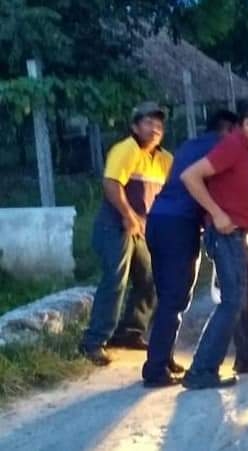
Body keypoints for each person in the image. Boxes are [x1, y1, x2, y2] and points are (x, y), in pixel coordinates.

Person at [141, 110, 248, 388]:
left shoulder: (192, 145)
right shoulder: (226, 145)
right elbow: (200, 177)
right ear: (233, 128)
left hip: (160, 218)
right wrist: (220, 214)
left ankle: (244, 355)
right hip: (180, 222)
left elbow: (242, 176)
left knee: (221, 294)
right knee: (181, 297)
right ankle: (161, 368)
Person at [79, 102, 172, 366]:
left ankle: (130, 331)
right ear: (134, 126)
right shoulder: (126, 149)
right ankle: (93, 341)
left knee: (150, 278)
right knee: (115, 281)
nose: (155, 129)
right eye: (148, 123)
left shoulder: (164, 159)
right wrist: (128, 215)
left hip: (139, 227)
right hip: (115, 224)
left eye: (159, 124)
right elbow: (111, 184)